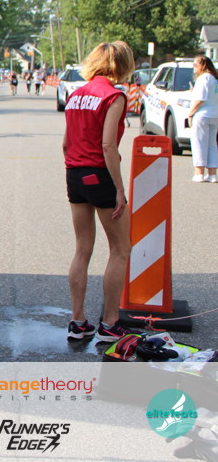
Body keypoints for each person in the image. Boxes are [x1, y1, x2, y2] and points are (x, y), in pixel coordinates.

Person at [62, 41, 135, 343]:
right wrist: (119, 188)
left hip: (75, 173)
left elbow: (65, 143)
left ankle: (78, 320)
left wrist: (75, 169)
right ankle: (110, 322)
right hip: (100, 174)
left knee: (82, 249)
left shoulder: (75, 95)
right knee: (120, 249)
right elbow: (108, 145)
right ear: (123, 64)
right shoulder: (114, 96)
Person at [188, 54, 218, 183]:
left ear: (203, 65)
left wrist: (190, 113)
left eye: (196, 64)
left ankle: (199, 173)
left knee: (199, 143)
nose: (193, 67)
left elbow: (200, 99)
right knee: (212, 145)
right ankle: (212, 174)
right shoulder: (214, 79)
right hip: (214, 114)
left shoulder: (203, 79)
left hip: (202, 115)